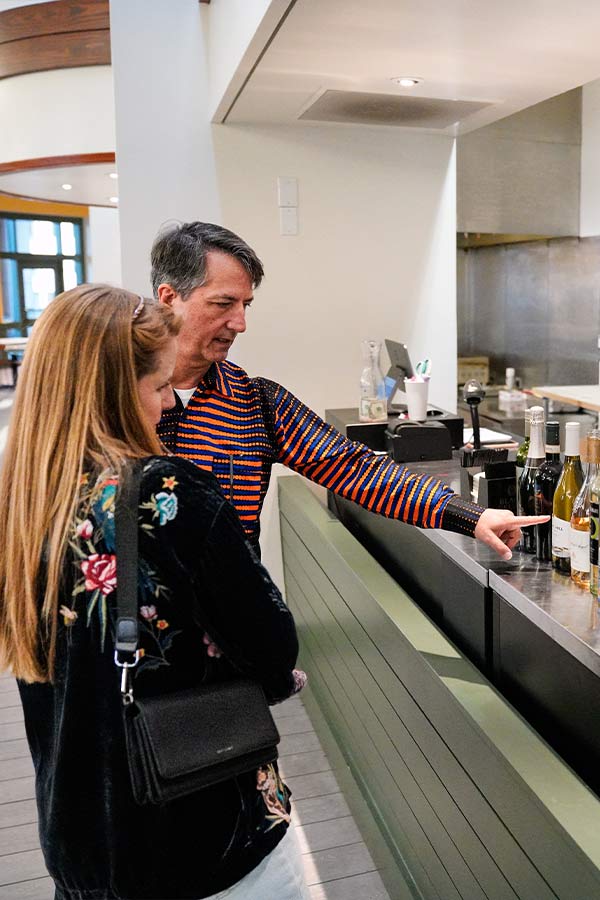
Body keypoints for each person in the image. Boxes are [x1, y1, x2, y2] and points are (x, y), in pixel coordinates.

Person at [0, 285, 311, 900]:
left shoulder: (25, 500)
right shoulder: (165, 493)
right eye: (157, 386)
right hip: (200, 837)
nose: (169, 405)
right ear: (115, 391)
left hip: (83, 844)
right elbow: (273, 649)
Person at [151, 221, 547, 558]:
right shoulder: (109, 396)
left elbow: (354, 467)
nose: (239, 323)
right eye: (223, 304)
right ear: (169, 298)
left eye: (245, 305)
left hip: (231, 628)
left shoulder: (254, 402)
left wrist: (471, 515)